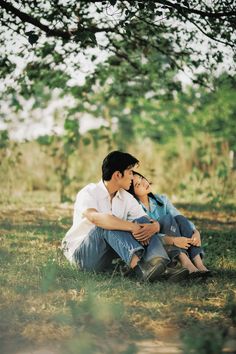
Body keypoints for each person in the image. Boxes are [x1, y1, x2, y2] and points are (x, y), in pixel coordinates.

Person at [62, 151, 177, 282]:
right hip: (82, 256)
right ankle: (141, 269)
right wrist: (132, 227)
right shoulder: (89, 192)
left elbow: (146, 221)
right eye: (130, 173)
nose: (133, 178)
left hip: (108, 256)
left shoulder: (126, 197)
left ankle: (160, 264)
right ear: (117, 175)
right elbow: (95, 218)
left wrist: (154, 227)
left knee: (141, 221)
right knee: (106, 223)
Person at [128, 171, 211, 278]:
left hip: (176, 241)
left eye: (141, 178)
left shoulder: (162, 200)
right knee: (166, 219)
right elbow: (147, 237)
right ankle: (187, 263)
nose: (144, 182)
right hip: (158, 249)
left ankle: (199, 264)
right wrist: (173, 240)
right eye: (138, 184)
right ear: (132, 192)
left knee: (179, 218)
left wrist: (195, 231)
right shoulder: (135, 209)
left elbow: (179, 217)